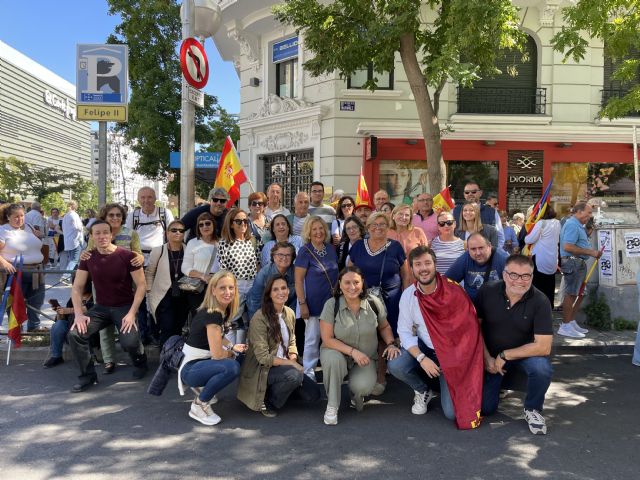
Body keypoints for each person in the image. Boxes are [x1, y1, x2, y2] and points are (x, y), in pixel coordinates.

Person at [387, 246, 484, 429]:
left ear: (435, 265)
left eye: (427, 263)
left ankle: (446, 382)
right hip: (426, 348)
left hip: (453, 354)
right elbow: (404, 332)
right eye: (417, 264)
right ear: (412, 269)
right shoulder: (409, 295)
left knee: (451, 413)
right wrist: (421, 358)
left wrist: (455, 362)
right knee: (396, 365)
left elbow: (469, 333)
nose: (423, 268)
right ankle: (423, 391)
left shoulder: (454, 291)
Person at [475, 254, 554, 435]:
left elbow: (543, 346)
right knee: (486, 408)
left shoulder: (541, 301)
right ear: (504, 275)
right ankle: (500, 385)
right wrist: (486, 357)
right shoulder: (487, 291)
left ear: (532, 277)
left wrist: (505, 355)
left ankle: (533, 409)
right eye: (513, 275)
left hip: (523, 355)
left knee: (542, 369)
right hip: (491, 355)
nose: (519, 281)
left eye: (525, 276)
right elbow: (474, 328)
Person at [67, 220, 149, 393]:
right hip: (101, 308)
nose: (102, 236)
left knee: (130, 342)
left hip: (125, 307)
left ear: (112, 235)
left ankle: (141, 361)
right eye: (97, 233)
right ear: (91, 236)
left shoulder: (128, 256)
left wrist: (132, 313)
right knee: (76, 334)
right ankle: (88, 376)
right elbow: (77, 287)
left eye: (105, 232)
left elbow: (141, 286)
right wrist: (79, 314)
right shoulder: (88, 258)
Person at [319, 266, 399, 425]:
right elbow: (327, 339)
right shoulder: (331, 304)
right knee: (334, 361)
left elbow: (384, 327)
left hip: (365, 358)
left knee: (363, 387)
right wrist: (353, 352)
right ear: (340, 284)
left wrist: (391, 343)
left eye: (356, 282)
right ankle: (332, 405)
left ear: (362, 283)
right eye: (347, 282)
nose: (352, 287)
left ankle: (355, 394)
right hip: (336, 353)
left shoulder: (373, 303)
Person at [238, 276, 321, 417]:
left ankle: (280, 388)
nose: (280, 292)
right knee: (294, 376)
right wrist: (292, 365)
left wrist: (293, 357)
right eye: (275, 289)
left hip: (283, 365)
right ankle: (268, 400)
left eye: (283, 288)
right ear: (269, 294)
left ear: (288, 291)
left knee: (313, 394)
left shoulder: (289, 312)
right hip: (262, 369)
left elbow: (292, 340)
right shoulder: (260, 317)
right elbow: (263, 358)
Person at [348, 212, 409, 394]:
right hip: (362, 298)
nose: (378, 228)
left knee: (384, 337)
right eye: (374, 224)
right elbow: (350, 271)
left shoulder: (396, 247)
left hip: (390, 299)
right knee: (364, 336)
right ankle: (362, 375)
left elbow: (405, 273)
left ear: (388, 226)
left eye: (382, 224)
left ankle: (381, 378)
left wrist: (405, 297)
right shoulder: (359, 246)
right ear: (368, 227)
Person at [177, 271, 245, 425]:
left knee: (237, 358)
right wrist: (231, 353)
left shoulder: (218, 309)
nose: (228, 292)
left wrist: (232, 346)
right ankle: (199, 404)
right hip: (191, 369)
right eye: (222, 288)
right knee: (232, 367)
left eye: (231, 287)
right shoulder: (213, 314)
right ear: (213, 290)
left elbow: (218, 336)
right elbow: (218, 355)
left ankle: (204, 391)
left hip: (196, 363)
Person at [83, 203, 144, 374]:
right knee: (104, 326)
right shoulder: (96, 233)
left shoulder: (131, 233)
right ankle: (109, 360)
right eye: (111, 215)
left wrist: (139, 258)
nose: (115, 218)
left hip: (125, 283)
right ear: (105, 217)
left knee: (129, 323)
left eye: (118, 215)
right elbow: (88, 254)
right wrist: (84, 254)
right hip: (101, 284)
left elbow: (138, 253)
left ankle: (138, 357)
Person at [126, 187, 174, 344]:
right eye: (143, 197)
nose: (146, 200)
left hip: (158, 260)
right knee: (138, 299)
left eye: (149, 197)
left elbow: (172, 234)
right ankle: (142, 333)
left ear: (155, 198)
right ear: (138, 199)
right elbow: (127, 238)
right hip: (137, 261)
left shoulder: (164, 213)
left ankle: (155, 332)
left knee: (156, 298)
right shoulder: (132, 215)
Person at [294, 216, 339, 380]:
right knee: (312, 339)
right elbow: (298, 279)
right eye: (314, 229)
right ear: (308, 232)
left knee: (332, 338)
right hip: (313, 302)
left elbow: (336, 273)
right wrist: (302, 303)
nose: (319, 232)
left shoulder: (330, 248)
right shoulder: (305, 251)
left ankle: (331, 369)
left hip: (332, 302)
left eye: (321, 228)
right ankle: (309, 372)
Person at [214, 208, 260, 344]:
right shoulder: (224, 243)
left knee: (248, 322)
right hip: (235, 285)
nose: (243, 224)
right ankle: (231, 354)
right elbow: (223, 269)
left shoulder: (252, 241)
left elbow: (258, 263)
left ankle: (242, 356)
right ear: (231, 224)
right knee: (232, 322)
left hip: (252, 284)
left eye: (245, 221)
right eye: (238, 221)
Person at [558, 201, 602, 338]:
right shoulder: (572, 224)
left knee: (581, 294)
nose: (590, 215)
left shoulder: (577, 225)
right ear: (578, 212)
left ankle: (570, 322)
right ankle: (565, 325)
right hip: (573, 263)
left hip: (578, 263)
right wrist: (591, 252)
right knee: (571, 294)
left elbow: (577, 243)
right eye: (588, 212)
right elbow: (567, 247)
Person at [0, 203, 46, 331]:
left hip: (37, 271)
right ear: (8, 217)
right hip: (16, 273)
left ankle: (34, 329)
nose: (19, 219)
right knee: (16, 304)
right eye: (16, 216)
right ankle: (15, 332)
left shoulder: (28, 228)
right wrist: (5, 263)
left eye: (22, 216)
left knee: (36, 302)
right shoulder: (3, 230)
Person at [145, 220, 190, 345]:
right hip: (163, 296)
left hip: (183, 296)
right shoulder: (158, 251)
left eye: (181, 231)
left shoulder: (189, 250)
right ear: (167, 233)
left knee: (178, 329)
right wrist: (149, 292)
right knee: (167, 328)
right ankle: (164, 358)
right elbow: (150, 272)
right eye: (174, 230)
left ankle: (174, 356)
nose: (178, 233)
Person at [43, 277, 94, 369]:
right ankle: (56, 356)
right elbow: (64, 318)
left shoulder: (93, 296)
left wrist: (69, 310)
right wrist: (60, 311)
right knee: (58, 325)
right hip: (71, 325)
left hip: (89, 327)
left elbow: (90, 308)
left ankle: (88, 357)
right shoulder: (74, 298)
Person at [446, 233, 508, 301]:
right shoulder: (465, 259)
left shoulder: (503, 259)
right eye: (473, 249)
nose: (478, 253)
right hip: (473, 306)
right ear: (468, 250)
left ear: (489, 246)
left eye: (481, 248)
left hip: (498, 303)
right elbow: (446, 282)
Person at [181, 212, 219, 319]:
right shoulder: (193, 243)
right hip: (198, 287)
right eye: (201, 225)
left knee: (215, 318)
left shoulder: (221, 243)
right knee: (199, 319)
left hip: (216, 286)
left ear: (213, 225)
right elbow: (185, 267)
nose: (204, 227)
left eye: (208, 223)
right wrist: (203, 276)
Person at [246, 241, 296, 321]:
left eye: (288, 255)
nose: (284, 258)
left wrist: (289, 318)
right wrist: (256, 322)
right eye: (280, 255)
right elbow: (255, 301)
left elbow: (295, 299)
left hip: (285, 312)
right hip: (264, 311)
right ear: (274, 257)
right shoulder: (264, 273)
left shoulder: (296, 273)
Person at [524, 206, 561, 308]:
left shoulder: (541, 223)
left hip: (540, 258)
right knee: (550, 284)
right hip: (552, 258)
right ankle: (549, 307)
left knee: (538, 285)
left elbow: (529, 240)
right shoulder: (557, 223)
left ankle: (538, 308)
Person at [452, 181, 504, 246]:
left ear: (480, 193)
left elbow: (500, 236)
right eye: (467, 192)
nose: (470, 194)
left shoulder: (491, 211)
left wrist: (494, 253)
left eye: (473, 192)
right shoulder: (455, 210)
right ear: (464, 194)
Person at [61, 200, 84, 282]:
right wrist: (82, 227)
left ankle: (75, 278)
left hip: (68, 240)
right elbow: (78, 227)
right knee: (74, 260)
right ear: (75, 206)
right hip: (75, 240)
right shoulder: (74, 215)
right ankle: (65, 276)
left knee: (72, 260)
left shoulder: (66, 216)